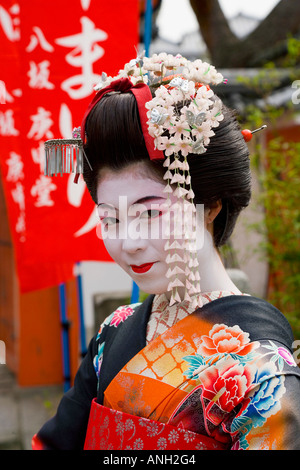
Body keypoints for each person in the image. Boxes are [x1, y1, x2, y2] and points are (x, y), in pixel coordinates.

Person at [33, 52, 300, 450]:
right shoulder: (115, 331)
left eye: (151, 213)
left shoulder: (262, 370)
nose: (129, 241)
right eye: (111, 220)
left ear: (211, 205)